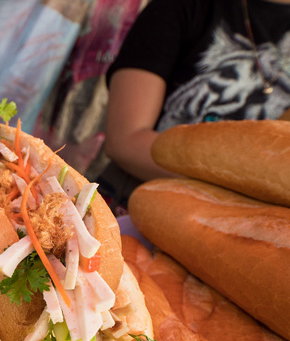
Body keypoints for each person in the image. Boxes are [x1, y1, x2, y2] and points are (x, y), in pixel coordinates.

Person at [101, 0, 290, 210]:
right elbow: (125, 141)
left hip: (239, 226)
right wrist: (247, 185)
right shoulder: (183, 7)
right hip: (128, 204)